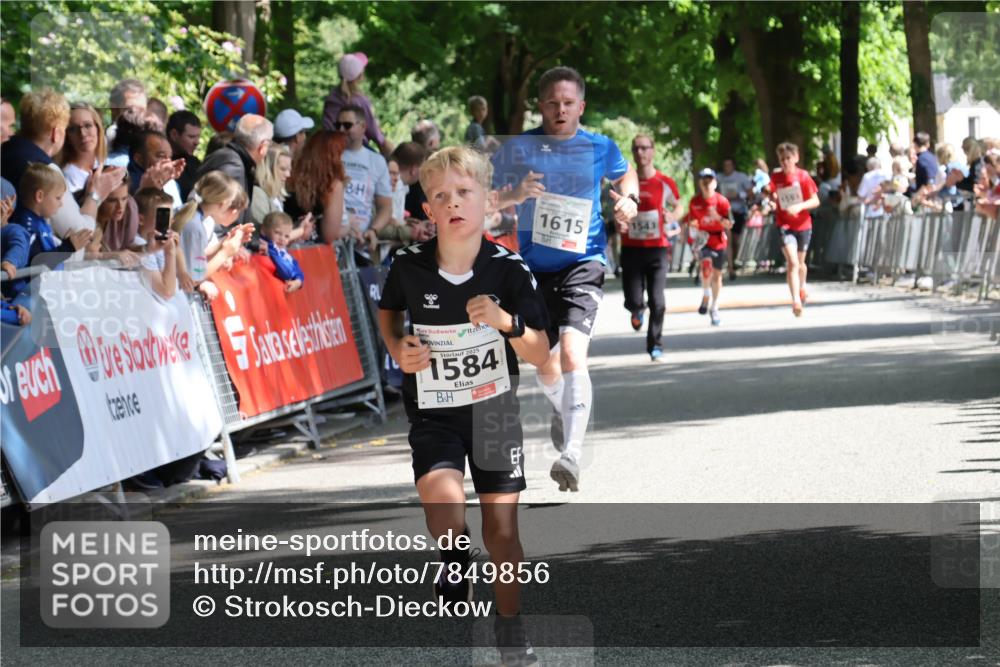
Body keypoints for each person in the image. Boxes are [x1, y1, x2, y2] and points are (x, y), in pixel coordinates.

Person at [377, 146, 549, 667]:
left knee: (501, 533)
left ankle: (510, 629)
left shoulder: (509, 270)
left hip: (494, 412)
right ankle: (453, 553)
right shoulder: (408, 265)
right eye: (441, 196)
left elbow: (542, 352)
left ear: (488, 202)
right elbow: (388, 315)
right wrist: (396, 349)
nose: (453, 203)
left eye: (464, 193)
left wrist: (506, 323)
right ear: (428, 210)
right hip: (434, 411)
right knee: (445, 506)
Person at [491, 66, 639, 492]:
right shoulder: (518, 149)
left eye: (568, 103)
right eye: (553, 103)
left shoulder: (599, 146)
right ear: (540, 105)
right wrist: (514, 195)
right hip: (533, 270)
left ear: (581, 106)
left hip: (583, 263)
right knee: (546, 363)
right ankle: (565, 408)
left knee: (574, 355)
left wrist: (628, 199)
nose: (560, 110)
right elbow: (484, 197)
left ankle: (571, 454)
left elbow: (624, 173)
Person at [1, 89, 122, 241]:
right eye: (68, 129)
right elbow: (80, 236)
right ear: (55, 133)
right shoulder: (45, 169)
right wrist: (94, 196)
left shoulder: (5, 150)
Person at [621, 134, 680, 359]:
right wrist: (620, 220)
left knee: (658, 301)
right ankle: (636, 310)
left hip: (657, 249)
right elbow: (618, 206)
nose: (640, 152)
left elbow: (678, 205)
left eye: (645, 148)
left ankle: (655, 344)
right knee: (634, 299)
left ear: (653, 151)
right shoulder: (626, 181)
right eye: (636, 148)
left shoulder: (664, 182)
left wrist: (672, 215)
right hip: (632, 249)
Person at [6, 164, 91, 297]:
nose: (61, 204)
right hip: (24, 298)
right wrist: (67, 247)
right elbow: (35, 264)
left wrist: (64, 245)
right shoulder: (26, 227)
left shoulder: (38, 221)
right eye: (58, 198)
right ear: (39, 196)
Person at [174, 171, 253, 290]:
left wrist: (223, 244)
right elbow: (194, 278)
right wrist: (224, 253)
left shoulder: (189, 213)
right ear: (223, 204)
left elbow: (195, 255)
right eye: (231, 202)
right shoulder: (195, 226)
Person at [768, 142, 819, 317]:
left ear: (796, 158)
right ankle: (795, 299)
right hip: (784, 225)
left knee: (801, 264)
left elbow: (815, 201)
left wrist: (799, 207)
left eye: (788, 158)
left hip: (803, 224)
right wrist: (771, 201)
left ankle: (803, 286)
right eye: (782, 159)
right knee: (792, 263)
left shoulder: (803, 177)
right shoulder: (776, 178)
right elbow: (772, 195)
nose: (785, 162)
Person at [196, 113, 273, 225]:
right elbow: (219, 214)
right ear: (262, 146)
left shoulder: (226, 156)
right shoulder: (234, 165)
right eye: (269, 144)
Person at [335, 105, 392, 255]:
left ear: (363, 127)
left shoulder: (377, 160)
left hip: (361, 245)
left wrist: (374, 230)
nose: (341, 130)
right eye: (337, 125)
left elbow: (385, 206)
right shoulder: (329, 155)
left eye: (347, 125)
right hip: (334, 240)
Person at [322, 52, 393, 158]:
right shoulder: (360, 101)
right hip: (356, 148)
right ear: (360, 76)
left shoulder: (331, 98)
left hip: (330, 148)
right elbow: (374, 133)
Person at [686, 168, 732, 326]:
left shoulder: (722, 201)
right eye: (703, 181)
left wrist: (717, 217)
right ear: (699, 183)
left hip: (718, 239)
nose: (706, 184)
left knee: (717, 276)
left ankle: (714, 306)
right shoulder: (694, 202)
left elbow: (729, 223)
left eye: (709, 180)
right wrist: (692, 226)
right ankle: (706, 294)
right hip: (703, 240)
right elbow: (691, 222)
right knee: (706, 266)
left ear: (715, 182)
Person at [285, 130, 347, 244]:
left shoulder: (290, 174)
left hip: (285, 246)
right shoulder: (333, 185)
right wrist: (348, 228)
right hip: (312, 251)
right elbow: (329, 235)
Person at [133, 187, 180, 300]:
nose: (169, 224)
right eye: (163, 218)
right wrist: (170, 253)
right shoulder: (139, 244)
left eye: (171, 219)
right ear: (141, 220)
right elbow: (166, 292)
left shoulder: (160, 243)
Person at [56, 103, 108, 194]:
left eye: (88, 125)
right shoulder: (65, 177)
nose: (82, 134)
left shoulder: (107, 164)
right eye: (73, 129)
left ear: (98, 128)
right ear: (66, 136)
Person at [716, 157, 753, 280]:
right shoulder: (718, 178)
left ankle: (733, 260)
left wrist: (738, 195)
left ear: (733, 166)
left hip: (738, 211)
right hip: (724, 213)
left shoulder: (741, 177)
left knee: (735, 241)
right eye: (725, 165)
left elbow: (750, 193)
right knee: (728, 239)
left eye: (729, 165)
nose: (727, 167)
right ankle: (730, 267)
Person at [129, 130, 184, 207]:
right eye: (161, 156)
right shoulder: (127, 184)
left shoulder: (171, 183)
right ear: (139, 159)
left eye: (170, 157)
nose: (168, 163)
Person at [259, 211, 304, 292]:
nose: (282, 239)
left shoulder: (283, 253)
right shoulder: (264, 245)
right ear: (263, 230)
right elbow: (286, 274)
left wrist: (298, 281)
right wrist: (271, 248)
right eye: (277, 233)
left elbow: (296, 268)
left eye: (286, 236)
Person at [166, 110, 203, 200]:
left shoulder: (195, 164)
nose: (197, 142)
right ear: (174, 135)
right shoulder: (161, 163)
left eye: (198, 136)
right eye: (191, 137)